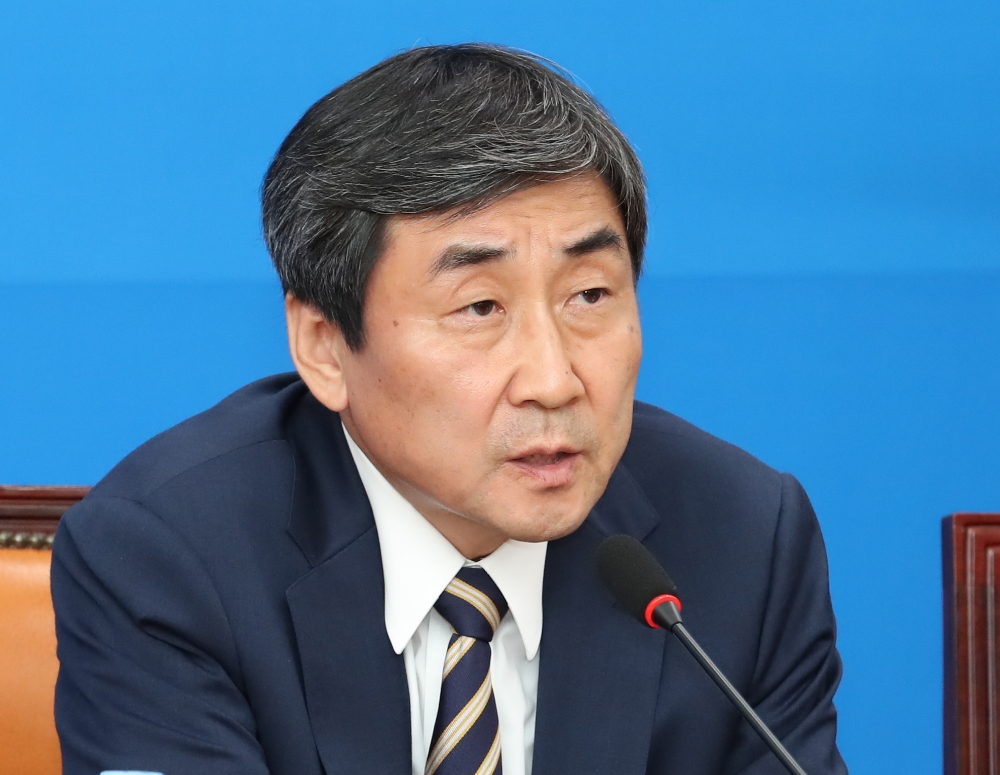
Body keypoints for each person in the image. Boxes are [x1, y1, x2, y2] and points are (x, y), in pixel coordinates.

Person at [51, 44, 847, 775]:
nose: (553, 380)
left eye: (589, 295)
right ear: (325, 346)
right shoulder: (171, 557)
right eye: (479, 307)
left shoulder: (743, 540)